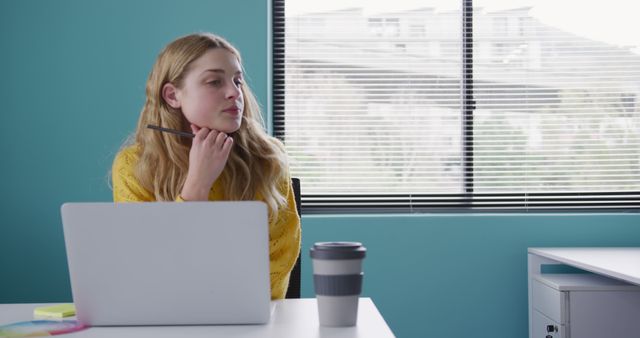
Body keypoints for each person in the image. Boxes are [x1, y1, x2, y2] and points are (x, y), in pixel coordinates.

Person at [111, 33, 301, 300]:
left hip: (249, 317)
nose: (235, 92)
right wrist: (197, 184)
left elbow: (279, 258)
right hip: (165, 316)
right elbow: (146, 267)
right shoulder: (133, 166)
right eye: (214, 82)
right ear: (172, 95)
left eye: (238, 80)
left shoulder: (267, 160)